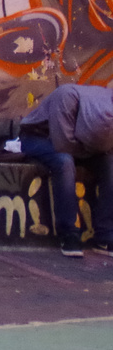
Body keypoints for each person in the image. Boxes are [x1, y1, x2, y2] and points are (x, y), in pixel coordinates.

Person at [18, 84, 113, 256]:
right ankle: (68, 232)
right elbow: (63, 145)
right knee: (64, 162)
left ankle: (105, 236)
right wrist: (95, 148)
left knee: (110, 165)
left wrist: (100, 149)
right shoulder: (66, 97)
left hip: (79, 143)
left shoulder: (107, 101)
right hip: (37, 137)